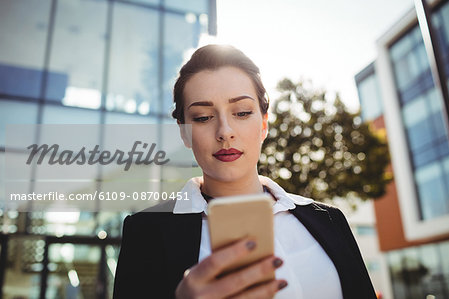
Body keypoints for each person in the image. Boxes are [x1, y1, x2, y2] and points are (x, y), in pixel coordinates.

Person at [113, 44, 377, 299]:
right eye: (203, 117)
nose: (225, 131)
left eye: (241, 112)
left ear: (263, 124)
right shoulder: (145, 233)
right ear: (185, 133)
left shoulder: (329, 220)